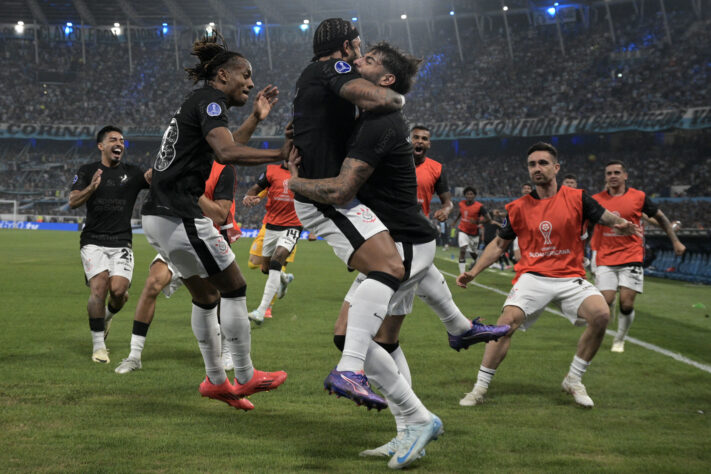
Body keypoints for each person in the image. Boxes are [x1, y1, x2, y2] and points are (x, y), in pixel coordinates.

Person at [289, 41, 509, 469]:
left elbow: (340, 190)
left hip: (404, 243)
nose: (357, 63)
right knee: (386, 341)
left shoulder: (381, 122)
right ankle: (412, 421)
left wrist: (294, 183)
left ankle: (413, 413)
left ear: (386, 80)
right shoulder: (369, 116)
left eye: (367, 61)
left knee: (346, 333)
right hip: (408, 240)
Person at [141, 33, 290, 411]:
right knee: (235, 288)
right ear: (223, 75)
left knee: (206, 296)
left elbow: (222, 151)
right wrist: (281, 153)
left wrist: (256, 118)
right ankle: (244, 374)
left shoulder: (199, 104)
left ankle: (216, 382)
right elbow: (227, 150)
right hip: (180, 215)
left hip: (159, 216)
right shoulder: (210, 101)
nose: (252, 83)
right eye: (246, 75)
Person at [456, 142, 641, 408]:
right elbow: (499, 245)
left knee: (601, 314)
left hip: (570, 277)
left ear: (556, 167)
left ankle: (573, 379)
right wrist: (472, 272)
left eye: (543, 163)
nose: (537, 168)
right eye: (532, 164)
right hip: (533, 276)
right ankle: (479, 388)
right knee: (505, 325)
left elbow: (604, 216)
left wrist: (621, 224)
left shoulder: (578, 197)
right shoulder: (517, 207)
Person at [290, 18, 408, 409]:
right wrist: (398, 97)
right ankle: (351, 369)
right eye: (358, 49)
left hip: (328, 194)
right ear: (347, 46)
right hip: (327, 196)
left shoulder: (311, 76)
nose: (360, 57)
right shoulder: (332, 68)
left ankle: (409, 413)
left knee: (352, 324)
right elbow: (382, 99)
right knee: (391, 267)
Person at [69, 125, 151, 364]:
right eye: (113, 139)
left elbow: (154, 178)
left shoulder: (133, 173)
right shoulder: (86, 171)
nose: (120, 143)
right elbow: (73, 201)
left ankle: (106, 316)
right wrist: (91, 188)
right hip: (93, 240)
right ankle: (99, 347)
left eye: (122, 140)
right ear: (101, 145)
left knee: (118, 292)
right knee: (98, 288)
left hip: (122, 242)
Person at [590, 160, 686, 352]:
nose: (613, 176)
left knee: (626, 302)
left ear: (625, 175)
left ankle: (619, 339)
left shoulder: (638, 197)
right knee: (605, 301)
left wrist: (675, 240)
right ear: (605, 177)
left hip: (631, 255)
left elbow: (660, 217)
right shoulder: (596, 199)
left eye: (617, 172)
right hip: (605, 257)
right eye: (609, 173)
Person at [243, 162, 301, 323]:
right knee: (259, 265)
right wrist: (253, 198)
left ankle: (263, 310)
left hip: (293, 226)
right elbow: (259, 188)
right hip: (270, 225)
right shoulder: (272, 171)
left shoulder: (305, 172)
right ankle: (283, 278)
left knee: (278, 260)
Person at [453, 187, 491, 274]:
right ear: (465, 195)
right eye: (468, 194)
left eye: (471, 194)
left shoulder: (479, 207)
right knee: (463, 250)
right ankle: (462, 274)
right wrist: (455, 221)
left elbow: (488, 218)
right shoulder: (461, 204)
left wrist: (477, 221)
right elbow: (461, 212)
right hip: (463, 230)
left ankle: (477, 262)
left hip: (474, 233)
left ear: (474, 196)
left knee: (473, 253)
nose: (469, 196)